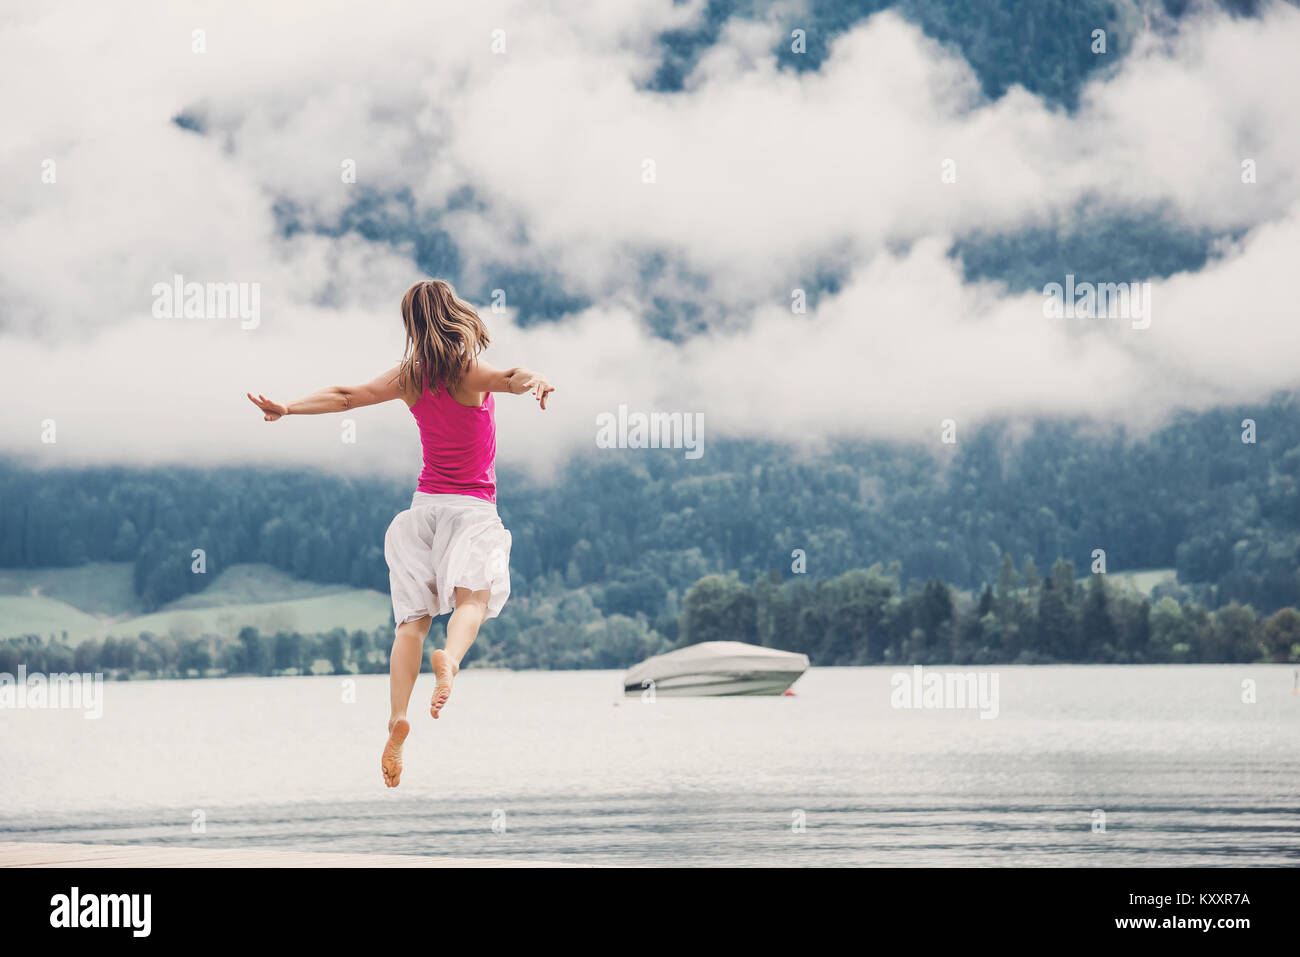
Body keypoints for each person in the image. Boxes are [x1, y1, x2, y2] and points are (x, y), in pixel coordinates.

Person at [247, 279, 554, 787]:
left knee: (410, 624)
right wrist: (537, 380)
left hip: (422, 513)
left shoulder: (410, 377)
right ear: (457, 314)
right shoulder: (470, 372)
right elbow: (514, 375)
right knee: (472, 601)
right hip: (470, 512)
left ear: (411, 325)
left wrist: (288, 408)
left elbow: (347, 396)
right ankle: (451, 662)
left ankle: (396, 719)